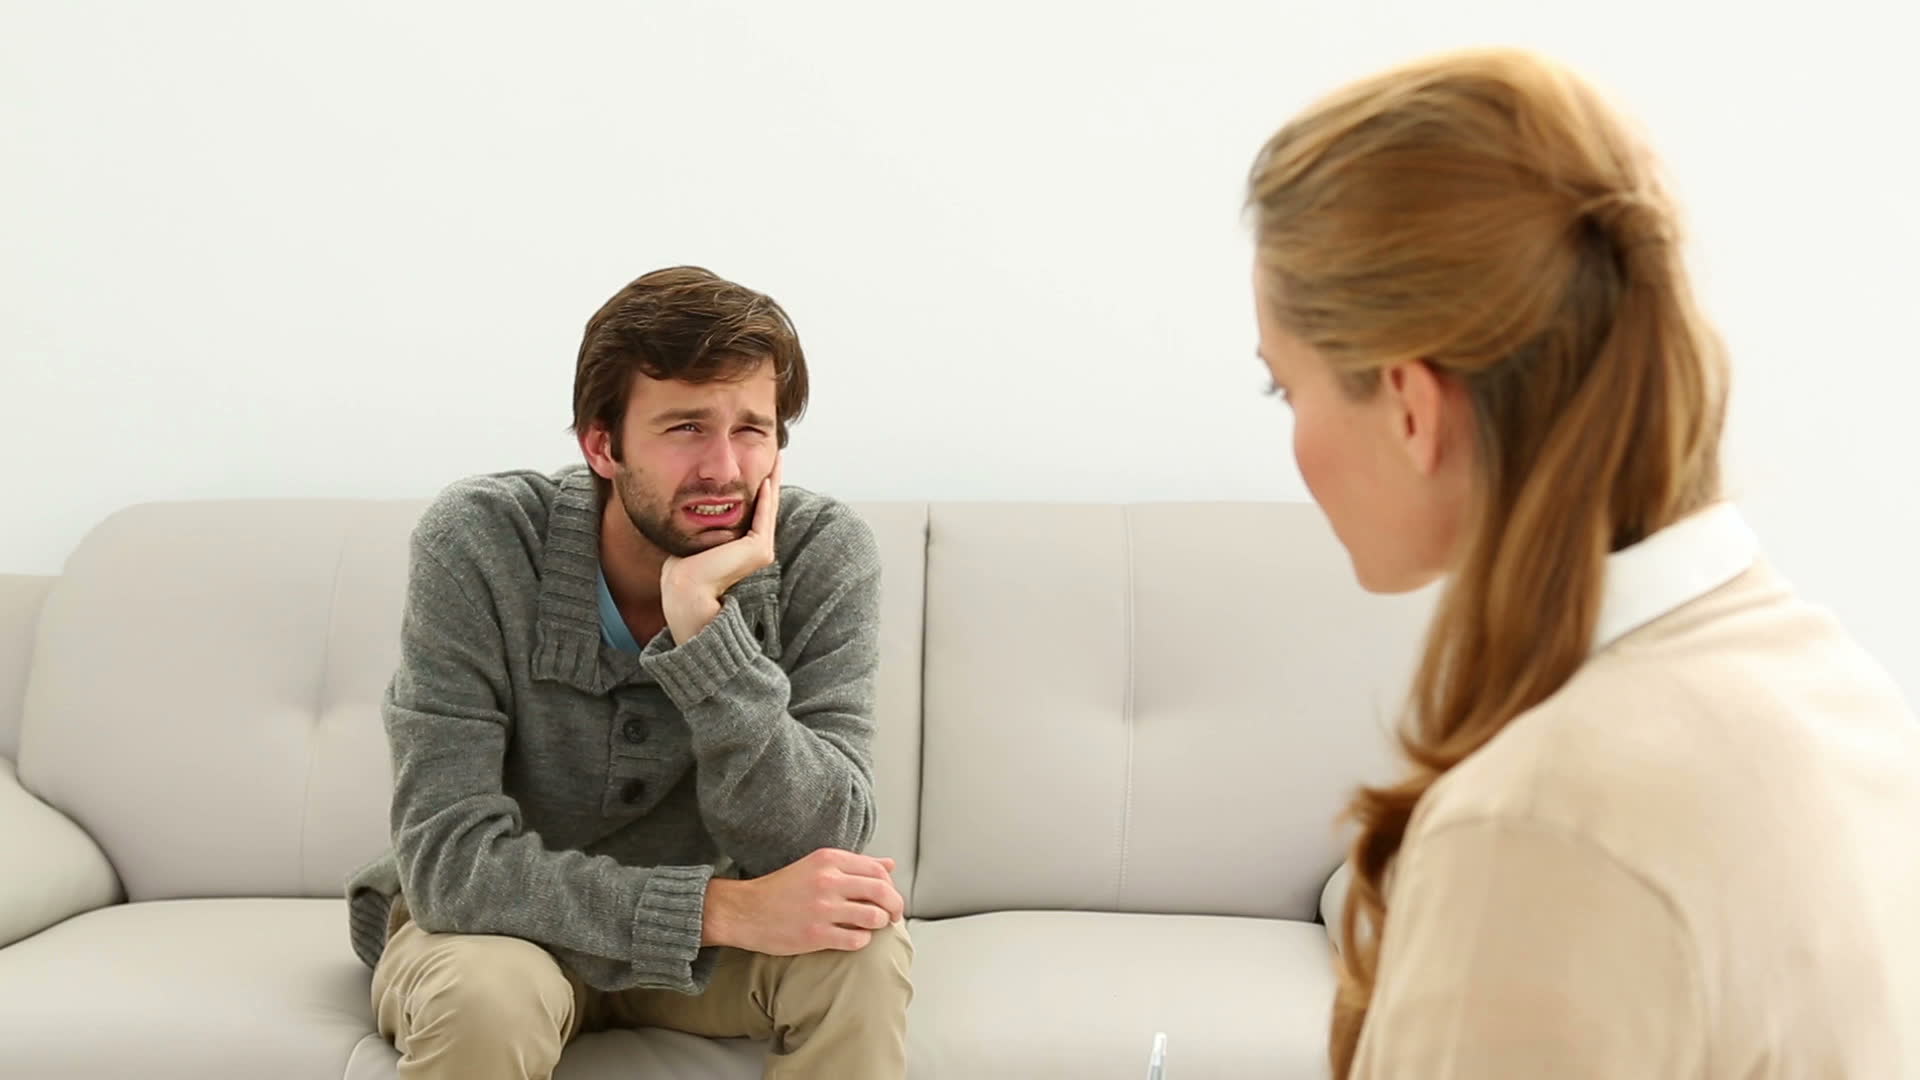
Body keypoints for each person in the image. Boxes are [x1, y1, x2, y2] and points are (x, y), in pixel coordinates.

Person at [1246, 48, 1920, 1078]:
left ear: (1412, 407)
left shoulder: (1538, 833)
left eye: (1282, 390)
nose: (1292, 440)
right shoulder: (1838, 689)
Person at [345, 266, 912, 1079]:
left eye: (753, 429)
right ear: (601, 444)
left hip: (714, 966)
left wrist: (707, 632)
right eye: (686, 428)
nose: (724, 467)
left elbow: (826, 839)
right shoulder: (481, 540)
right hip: (502, 937)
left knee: (863, 954)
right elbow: (448, 863)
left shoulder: (824, 552)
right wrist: (717, 910)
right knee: (487, 996)